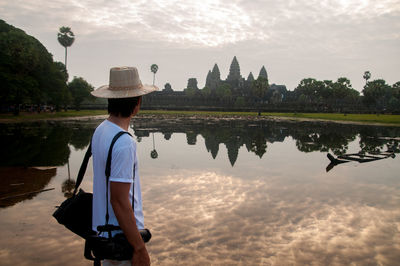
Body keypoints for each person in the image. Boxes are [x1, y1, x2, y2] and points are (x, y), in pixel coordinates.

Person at [90, 66, 158, 266]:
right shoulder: (124, 142)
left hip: (103, 235)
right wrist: (139, 248)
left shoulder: (102, 130)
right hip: (121, 239)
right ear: (137, 102)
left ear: (110, 99)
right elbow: (119, 201)